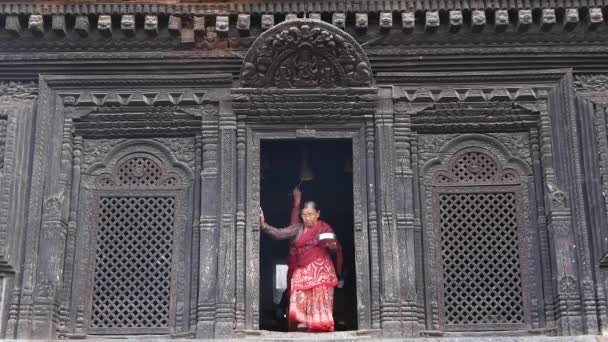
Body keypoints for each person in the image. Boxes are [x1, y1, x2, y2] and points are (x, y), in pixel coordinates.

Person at [259, 187, 343, 332]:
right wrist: (263, 225)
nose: (307, 218)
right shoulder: (298, 228)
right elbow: (280, 234)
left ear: (318, 214)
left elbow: (335, 248)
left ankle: (320, 321)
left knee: (319, 280)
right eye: (304, 215)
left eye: (310, 215)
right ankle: (302, 321)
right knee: (296, 277)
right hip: (302, 268)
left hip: (321, 269)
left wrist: (332, 245)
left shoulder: (324, 228)